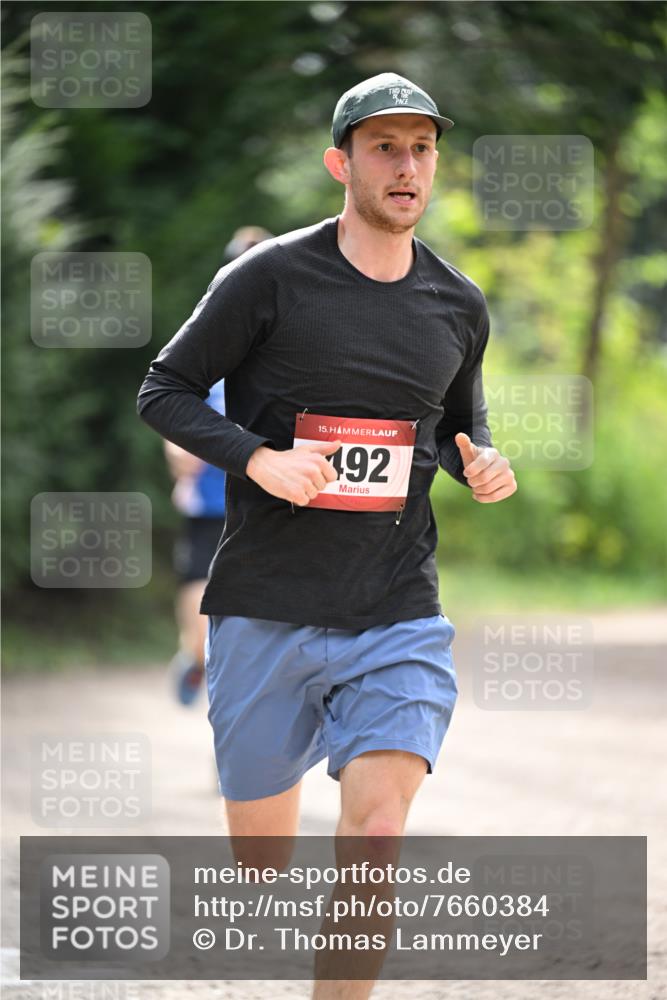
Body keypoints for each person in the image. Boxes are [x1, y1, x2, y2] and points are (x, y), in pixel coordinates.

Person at [138, 72, 517, 997]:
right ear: (338, 161)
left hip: (394, 606)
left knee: (376, 834)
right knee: (262, 870)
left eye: (422, 148)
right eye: (385, 146)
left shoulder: (457, 304)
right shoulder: (267, 278)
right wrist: (257, 460)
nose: (407, 165)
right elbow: (164, 390)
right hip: (266, 607)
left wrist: (485, 464)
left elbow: (461, 424)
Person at [163, 227, 273, 705]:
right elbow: (170, 409)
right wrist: (179, 455)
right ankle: (199, 657)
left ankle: (207, 665)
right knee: (206, 613)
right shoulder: (220, 334)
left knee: (226, 607)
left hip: (252, 502)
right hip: (221, 503)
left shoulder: (281, 337)